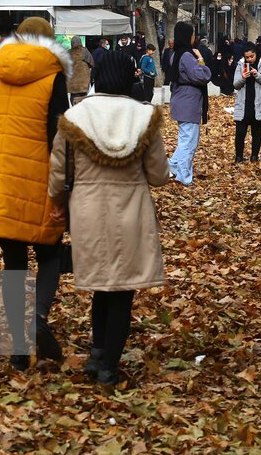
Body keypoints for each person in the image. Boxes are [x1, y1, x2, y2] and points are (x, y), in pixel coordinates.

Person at [48, 51, 168, 386]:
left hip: (87, 210)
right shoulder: (144, 118)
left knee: (102, 286)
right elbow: (158, 175)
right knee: (122, 290)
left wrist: (57, 202)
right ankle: (108, 366)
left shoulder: (74, 117)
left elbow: (59, 173)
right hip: (131, 210)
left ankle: (98, 352)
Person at [0, 17, 70, 370]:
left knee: (14, 262)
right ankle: (39, 317)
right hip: (39, 178)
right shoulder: (53, 76)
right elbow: (60, 136)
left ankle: (18, 346)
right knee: (49, 254)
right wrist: (64, 189)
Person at [167, 22, 211, 186]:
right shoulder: (187, 55)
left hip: (181, 99)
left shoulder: (175, 54)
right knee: (189, 141)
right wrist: (200, 59)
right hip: (188, 100)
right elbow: (202, 76)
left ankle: (173, 167)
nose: (194, 38)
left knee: (185, 139)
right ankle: (184, 176)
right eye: (192, 35)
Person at [233, 42, 261, 162]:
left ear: (256, 54)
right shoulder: (240, 65)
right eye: (247, 57)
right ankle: (239, 156)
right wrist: (243, 78)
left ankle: (254, 156)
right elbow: (235, 84)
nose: (249, 59)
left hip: (258, 104)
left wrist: (257, 75)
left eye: (251, 56)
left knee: (256, 133)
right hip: (243, 105)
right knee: (240, 133)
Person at [67, 37, 95, 105]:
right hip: (83, 82)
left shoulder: (68, 53)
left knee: (73, 98)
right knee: (83, 99)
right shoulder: (85, 51)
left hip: (72, 83)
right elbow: (92, 63)